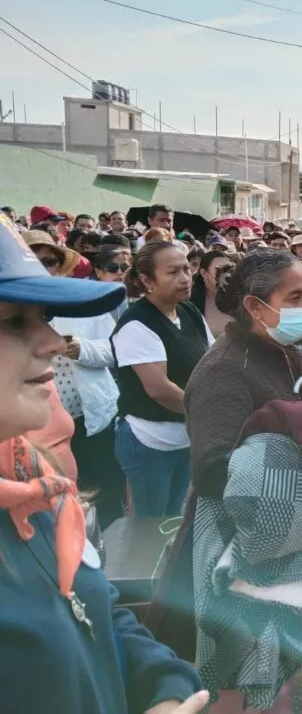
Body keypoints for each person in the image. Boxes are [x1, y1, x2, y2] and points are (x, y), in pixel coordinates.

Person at [0, 213, 208, 714]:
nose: (53, 342)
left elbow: (91, 605)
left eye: (46, 318)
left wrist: (162, 683)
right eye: (13, 322)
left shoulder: (35, 482)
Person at [186, 250, 302, 501]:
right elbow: (213, 474)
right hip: (246, 529)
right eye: (295, 298)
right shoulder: (223, 370)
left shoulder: (285, 351)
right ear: (255, 307)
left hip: (293, 518)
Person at [112, 242, 214, 516]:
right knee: (150, 524)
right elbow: (160, 389)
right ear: (147, 280)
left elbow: (211, 360)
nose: (184, 278)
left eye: (186, 269)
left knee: (174, 520)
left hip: (186, 438)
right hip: (150, 442)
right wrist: (208, 412)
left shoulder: (189, 311)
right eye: (172, 272)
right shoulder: (137, 325)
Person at [49, 256, 126, 529]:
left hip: (92, 416)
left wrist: (82, 349)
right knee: (60, 496)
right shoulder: (14, 308)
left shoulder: (83, 301)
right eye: (35, 260)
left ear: (62, 266)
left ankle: (111, 548)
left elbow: (116, 348)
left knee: (105, 486)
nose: (45, 266)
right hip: (43, 424)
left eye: (50, 260)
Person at [188, 251, 235, 339]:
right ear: (204, 273)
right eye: (219, 269)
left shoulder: (241, 298)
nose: (225, 273)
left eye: (228, 268)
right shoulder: (191, 304)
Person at [93, 244, 132, 321]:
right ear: (98, 272)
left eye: (125, 267)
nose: (120, 272)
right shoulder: (87, 302)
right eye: (112, 267)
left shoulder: (137, 300)